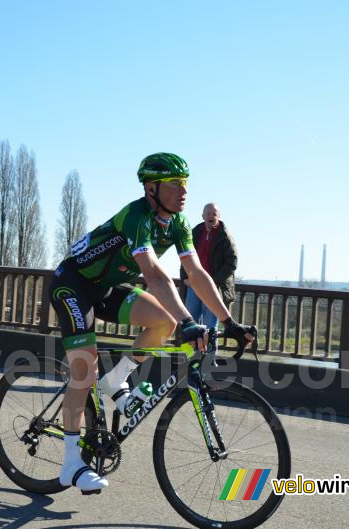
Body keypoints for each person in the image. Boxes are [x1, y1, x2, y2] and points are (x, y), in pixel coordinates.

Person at [50, 152, 255, 493]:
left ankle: (117, 379)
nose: (183, 190)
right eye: (175, 183)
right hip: (72, 283)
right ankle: (71, 463)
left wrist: (228, 321)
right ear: (151, 188)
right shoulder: (136, 217)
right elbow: (155, 275)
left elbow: (196, 273)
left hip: (105, 287)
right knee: (84, 370)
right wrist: (190, 319)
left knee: (164, 323)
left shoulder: (176, 223)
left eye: (185, 183)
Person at [180, 203, 238, 329]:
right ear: (203, 216)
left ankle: (209, 350)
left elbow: (232, 262)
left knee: (210, 326)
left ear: (219, 216)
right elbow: (184, 256)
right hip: (193, 285)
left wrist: (213, 281)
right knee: (190, 324)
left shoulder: (225, 237)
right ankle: (190, 349)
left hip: (214, 288)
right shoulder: (194, 233)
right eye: (208, 214)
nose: (211, 216)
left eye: (214, 214)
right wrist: (184, 278)